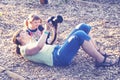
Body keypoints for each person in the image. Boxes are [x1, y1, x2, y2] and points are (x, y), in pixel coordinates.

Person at [12, 23, 119, 67]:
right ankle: (101, 60)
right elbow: (39, 47)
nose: (27, 33)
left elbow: (51, 42)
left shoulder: (33, 42)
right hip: (58, 58)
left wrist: (54, 28)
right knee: (79, 35)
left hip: (58, 49)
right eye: (24, 32)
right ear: (18, 38)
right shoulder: (24, 49)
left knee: (82, 27)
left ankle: (99, 52)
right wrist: (45, 31)